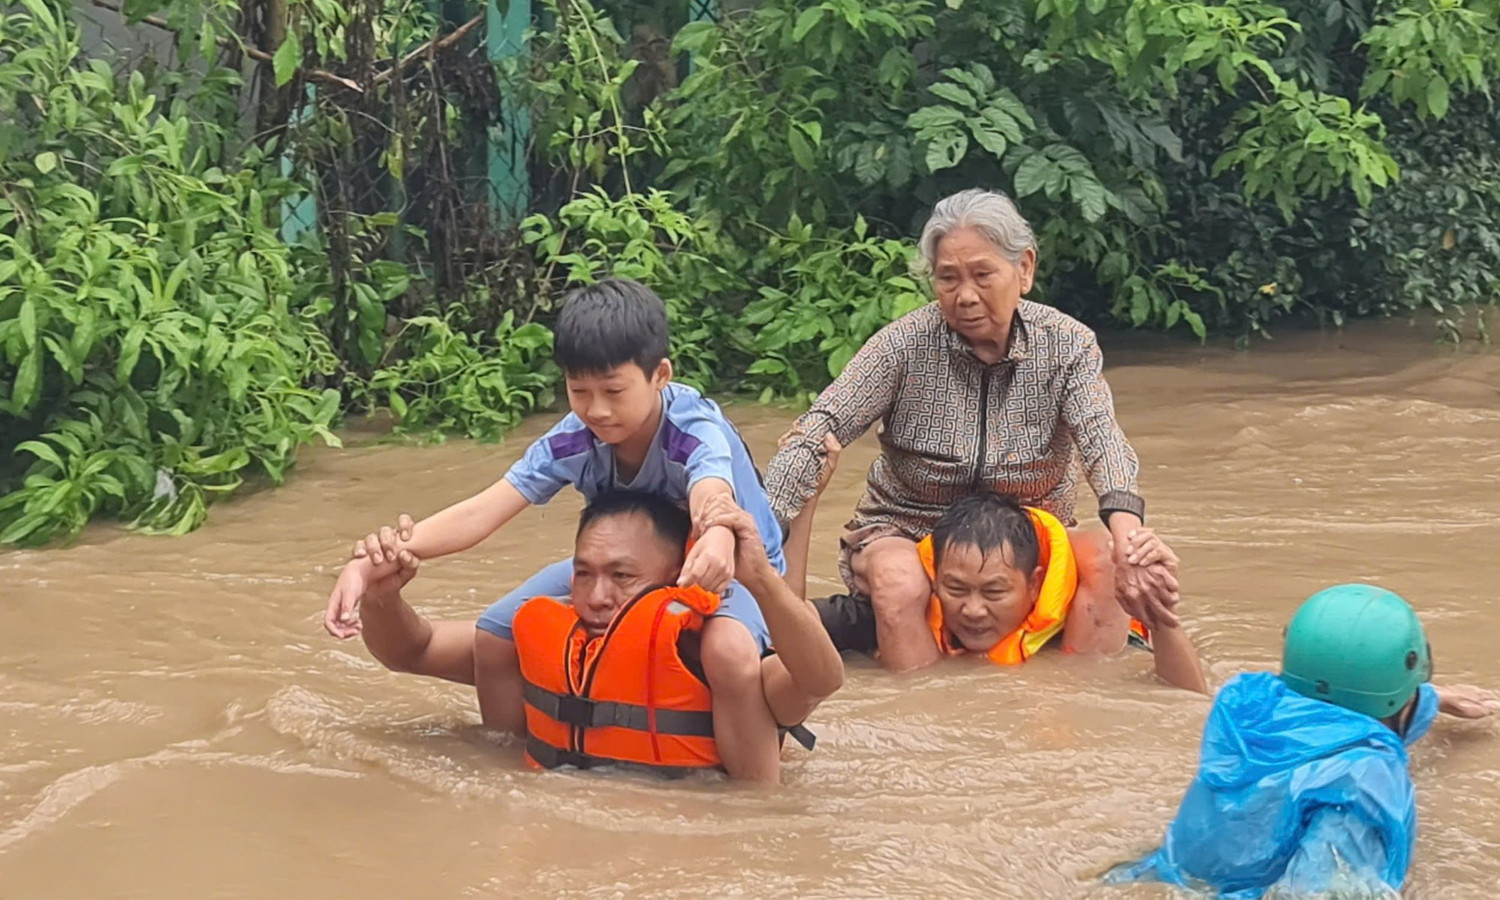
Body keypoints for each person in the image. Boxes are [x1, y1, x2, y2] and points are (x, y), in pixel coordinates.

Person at [322, 277, 793, 780]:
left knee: (728, 652)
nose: (597, 410)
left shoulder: (694, 427)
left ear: (660, 375)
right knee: (495, 633)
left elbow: (712, 489)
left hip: (728, 564)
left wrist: (718, 535)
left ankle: (758, 795)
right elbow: (484, 511)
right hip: (624, 565)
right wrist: (374, 560)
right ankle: (512, 768)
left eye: (614, 391)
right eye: (579, 392)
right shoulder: (575, 437)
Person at [764, 188, 1178, 672]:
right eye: (948, 278)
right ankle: (925, 706)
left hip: (1022, 543)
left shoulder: (1068, 345)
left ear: (1024, 269)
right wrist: (760, 529)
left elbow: (1102, 440)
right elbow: (819, 429)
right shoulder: (903, 346)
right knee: (897, 580)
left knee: (1107, 558)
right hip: (907, 532)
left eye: (982, 275)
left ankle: (1075, 697)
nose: (964, 296)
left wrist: (1129, 536)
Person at [352, 489, 844, 782]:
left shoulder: (711, 659)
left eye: (622, 576)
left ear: (674, 580)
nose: (597, 596)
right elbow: (412, 651)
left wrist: (760, 580)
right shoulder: (546, 644)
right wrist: (381, 598)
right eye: (584, 574)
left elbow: (819, 680)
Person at [1106, 584, 1499, 896]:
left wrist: (1432, 699)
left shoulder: (1248, 706)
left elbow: (1342, 721)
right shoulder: (1362, 785)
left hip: (1148, 877)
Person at [807, 448, 1205, 690]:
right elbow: (786, 625)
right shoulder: (896, 612)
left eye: (994, 592)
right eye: (956, 590)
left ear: (1034, 585)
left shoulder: (1087, 615)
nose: (973, 610)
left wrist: (1162, 616)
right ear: (934, 581)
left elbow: (1185, 698)